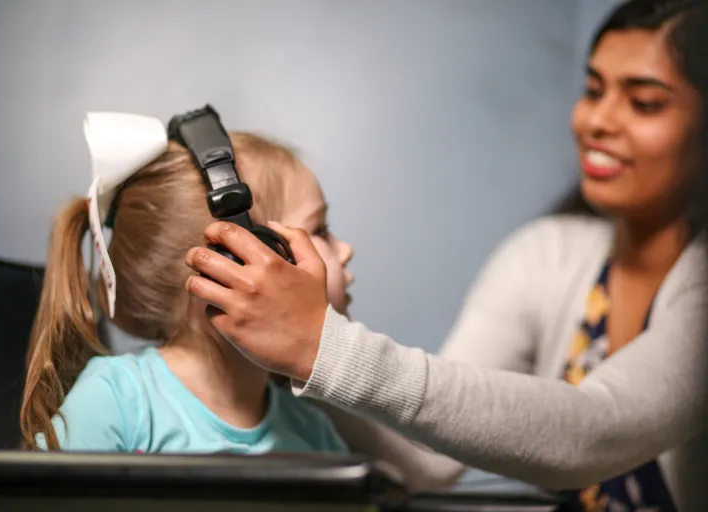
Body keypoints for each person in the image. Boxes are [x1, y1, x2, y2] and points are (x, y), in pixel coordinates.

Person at [183, 1, 708, 510]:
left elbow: (594, 435)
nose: (598, 121)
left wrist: (321, 345)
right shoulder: (543, 254)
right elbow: (429, 460)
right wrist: (288, 357)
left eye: (644, 103)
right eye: (593, 90)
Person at [19, 109, 463, 491]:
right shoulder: (117, 400)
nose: (344, 250)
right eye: (322, 230)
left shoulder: (313, 432)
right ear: (232, 260)